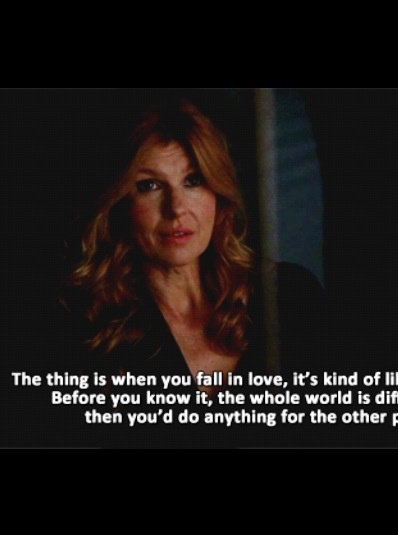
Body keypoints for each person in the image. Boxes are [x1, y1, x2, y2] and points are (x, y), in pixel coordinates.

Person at [54, 96, 328, 448]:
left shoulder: (289, 296)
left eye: (193, 180)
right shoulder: (88, 332)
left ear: (217, 192)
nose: (176, 209)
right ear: (120, 203)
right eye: (150, 185)